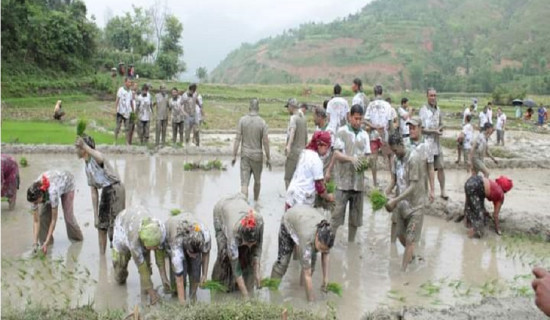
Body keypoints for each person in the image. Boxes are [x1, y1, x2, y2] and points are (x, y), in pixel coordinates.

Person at [271, 205, 335, 301]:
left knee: (311, 266)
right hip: (288, 222)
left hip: (304, 220)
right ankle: (272, 290)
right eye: (320, 248)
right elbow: (307, 274)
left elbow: (325, 253)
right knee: (283, 263)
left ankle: (300, 288)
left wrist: (326, 279)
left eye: (324, 249)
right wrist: (311, 301)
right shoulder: (307, 238)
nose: (321, 251)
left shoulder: (327, 233)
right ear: (317, 236)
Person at [385, 132, 429, 271]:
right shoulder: (395, 159)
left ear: (402, 145)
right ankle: (412, 256)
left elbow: (413, 186)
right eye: (392, 151)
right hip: (402, 205)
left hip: (415, 205)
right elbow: (394, 180)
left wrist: (395, 200)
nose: (394, 153)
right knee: (400, 235)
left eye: (396, 150)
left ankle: (403, 272)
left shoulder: (413, 158)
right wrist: (385, 192)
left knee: (410, 239)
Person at [75, 135, 126, 254]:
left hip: (115, 188)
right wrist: (95, 216)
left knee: (115, 227)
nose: (76, 150)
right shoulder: (87, 166)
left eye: (78, 148)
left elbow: (101, 158)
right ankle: (102, 258)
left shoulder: (95, 157)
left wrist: (84, 146)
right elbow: (93, 191)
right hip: (105, 190)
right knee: (101, 226)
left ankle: (117, 255)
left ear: (84, 149)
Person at [111, 206, 170, 305]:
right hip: (122, 228)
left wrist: (164, 278)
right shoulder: (134, 242)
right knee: (120, 274)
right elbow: (142, 269)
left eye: (155, 247)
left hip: (139, 219)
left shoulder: (159, 230)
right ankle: (147, 290)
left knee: (147, 266)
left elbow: (160, 259)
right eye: (151, 248)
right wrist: (153, 294)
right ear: (143, 243)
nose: (154, 250)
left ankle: (145, 292)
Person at [331, 105, 371, 242]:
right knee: (336, 216)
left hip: (358, 184)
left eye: (360, 119)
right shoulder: (342, 131)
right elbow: (336, 153)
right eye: (356, 118)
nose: (358, 122)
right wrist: (351, 159)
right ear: (350, 117)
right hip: (343, 183)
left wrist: (365, 162)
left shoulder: (364, 135)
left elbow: (368, 156)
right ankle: (329, 243)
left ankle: (351, 243)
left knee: (355, 219)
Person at [211, 193, 263, 297]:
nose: (249, 246)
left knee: (248, 254)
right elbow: (235, 265)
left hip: (240, 201)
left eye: (252, 243)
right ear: (241, 238)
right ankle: (220, 284)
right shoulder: (233, 232)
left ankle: (246, 283)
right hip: (221, 210)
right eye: (247, 243)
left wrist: (257, 271)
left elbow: (258, 248)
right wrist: (245, 296)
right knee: (224, 254)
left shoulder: (260, 222)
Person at [27, 170, 84, 254]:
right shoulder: (34, 194)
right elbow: (36, 221)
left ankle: (78, 240)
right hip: (51, 186)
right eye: (33, 202)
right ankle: (46, 244)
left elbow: (53, 220)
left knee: (69, 218)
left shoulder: (52, 193)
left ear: (41, 196)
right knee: (42, 216)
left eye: (36, 202)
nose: (34, 204)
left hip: (67, 184)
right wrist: (35, 243)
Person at [165, 212, 211, 304]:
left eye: (196, 254)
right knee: (179, 274)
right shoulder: (176, 244)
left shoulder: (205, 235)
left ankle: (193, 296)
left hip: (192, 229)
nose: (193, 256)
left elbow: (206, 253)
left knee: (195, 269)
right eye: (191, 253)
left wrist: (204, 274)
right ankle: (176, 295)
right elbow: (179, 278)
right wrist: (182, 302)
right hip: (173, 230)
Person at [232, 99, 271, 201]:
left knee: (244, 183)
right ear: (258, 109)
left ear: (249, 108)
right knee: (257, 181)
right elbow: (266, 141)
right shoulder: (262, 122)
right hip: (257, 156)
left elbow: (237, 139)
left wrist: (234, 155)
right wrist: (268, 157)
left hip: (245, 154)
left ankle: (244, 205)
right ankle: (256, 202)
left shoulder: (242, 120)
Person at [285, 131, 335, 209]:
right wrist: (328, 197)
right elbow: (320, 188)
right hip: (302, 201)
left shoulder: (305, 153)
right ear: (320, 145)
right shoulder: (316, 160)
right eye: (327, 147)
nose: (327, 151)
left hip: (291, 196)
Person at [419, 88, 448, 200]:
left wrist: (440, 129)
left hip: (437, 141)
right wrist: (433, 131)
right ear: (427, 96)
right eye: (431, 95)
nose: (433, 98)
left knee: (441, 166)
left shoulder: (438, 109)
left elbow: (441, 123)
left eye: (435, 95)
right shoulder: (423, 110)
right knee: (430, 167)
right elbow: (421, 129)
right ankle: (432, 191)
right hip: (427, 142)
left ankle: (443, 191)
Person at [364, 84, 393, 187]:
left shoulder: (371, 105)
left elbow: (365, 120)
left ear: (374, 93)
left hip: (373, 135)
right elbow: (390, 123)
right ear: (382, 93)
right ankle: (392, 181)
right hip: (384, 135)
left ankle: (375, 182)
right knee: (390, 157)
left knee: (373, 159)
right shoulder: (388, 105)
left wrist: (374, 126)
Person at [284, 98, 308, 189]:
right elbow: (306, 136)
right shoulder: (304, 118)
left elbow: (292, 131)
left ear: (291, 106)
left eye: (288, 107)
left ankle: (289, 199)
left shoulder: (293, 118)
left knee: (288, 178)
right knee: (299, 178)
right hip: (302, 153)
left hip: (294, 152)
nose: (287, 109)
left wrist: (288, 146)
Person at [313, 107, 336, 181]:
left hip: (326, 167)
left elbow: (334, 152)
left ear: (320, 117)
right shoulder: (317, 129)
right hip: (318, 166)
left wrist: (329, 170)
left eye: (314, 116)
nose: (313, 118)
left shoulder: (329, 131)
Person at [114, 78, 134, 145]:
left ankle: (126, 142)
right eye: (128, 82)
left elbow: (131, 101)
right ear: (125, 82)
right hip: (120, 111)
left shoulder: (130, 92)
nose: (130, 84)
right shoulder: (121, 90)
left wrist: (133, 110)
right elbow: (117, 99)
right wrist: (115, 108)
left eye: (130, 82)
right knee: (118, 127)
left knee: (127, 128)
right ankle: (115, 141)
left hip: (127, 112)